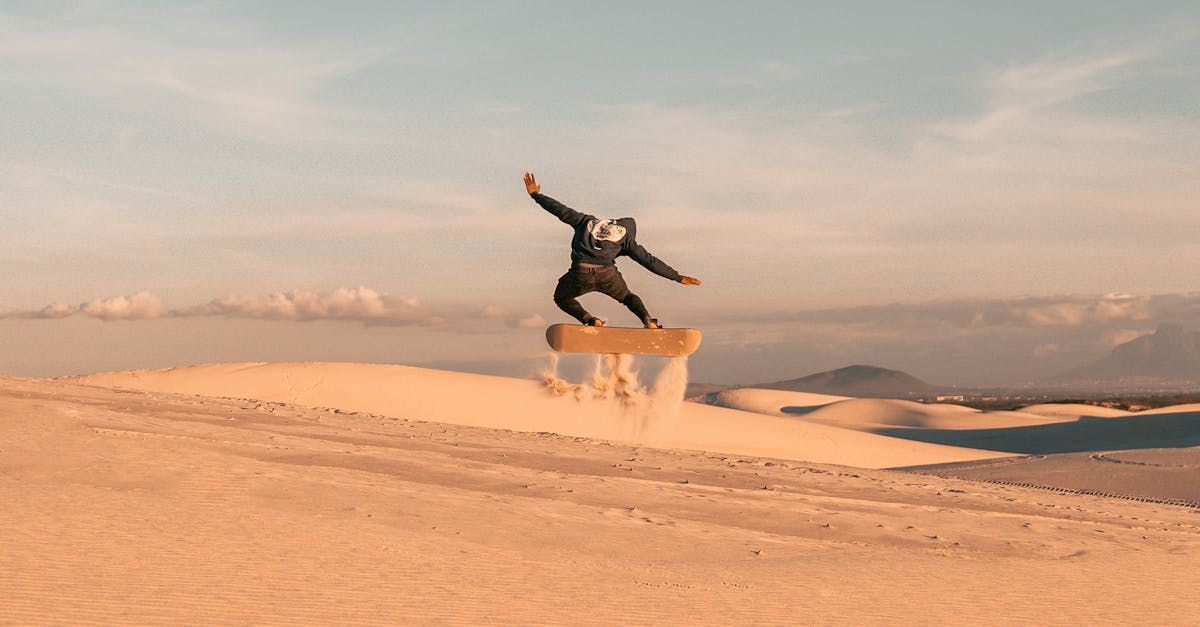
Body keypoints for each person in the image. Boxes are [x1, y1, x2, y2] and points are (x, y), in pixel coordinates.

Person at [524, 172, 701, 328]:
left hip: (580, 273)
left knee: (561, 297)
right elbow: (649, 261)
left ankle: (591, 320)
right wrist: (677, 277)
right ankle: (648, 320)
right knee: (627, 297)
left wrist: (536, 195)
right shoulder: (626, 237)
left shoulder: (585, 221)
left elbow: (559, 209)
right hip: (608, 274)